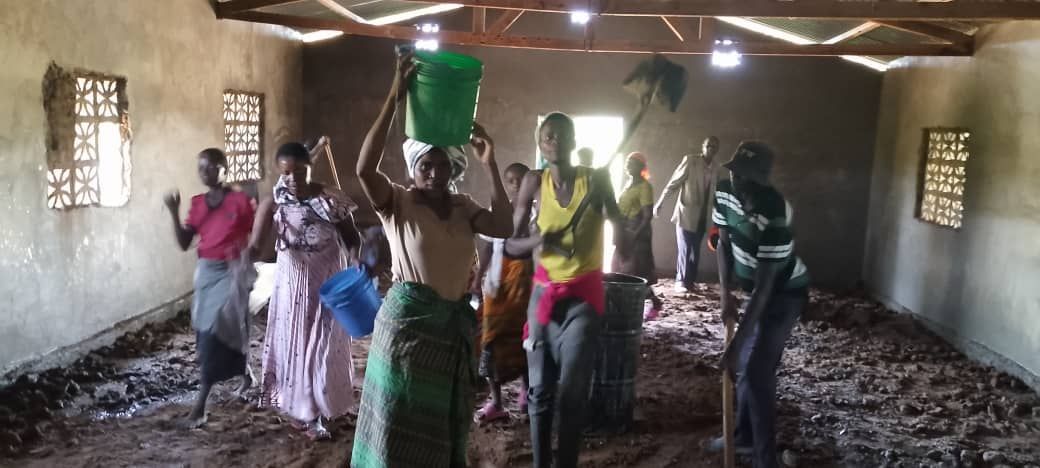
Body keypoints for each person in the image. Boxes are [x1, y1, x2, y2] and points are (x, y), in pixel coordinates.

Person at [351, 52, 514, 468]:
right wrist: (394, 95)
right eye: (427, 164)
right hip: (407, 333)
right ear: (414, 168)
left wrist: (491, 164)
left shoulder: (464, 207)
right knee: (397, 419)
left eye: (443, 165)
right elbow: (364, 168)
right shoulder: (398, 204)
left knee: (436, 425)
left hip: (447, 335)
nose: (435, 172)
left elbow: (504, 226)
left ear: (453, 169)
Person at [508, 112, 623, 468]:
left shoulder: (597, 179)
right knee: (540, 392)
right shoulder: (532, 182)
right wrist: (540, 239)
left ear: (574, 142)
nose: (554, 141)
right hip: (544, 296)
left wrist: (622, 232)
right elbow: (512, 245)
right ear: (541, 144)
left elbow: (619, 225)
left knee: (573, 393)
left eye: (561, 136)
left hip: (584, 297)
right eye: (548, 136)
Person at [251, 141, 362, 441]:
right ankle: (307, 413)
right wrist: (237, 265)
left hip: (327, 281)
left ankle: (325, 404)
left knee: (324, 345)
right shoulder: (275, 202)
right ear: (279, 172)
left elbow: (352, 238)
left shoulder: (329, 200)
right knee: (297, 344)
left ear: (310, 168)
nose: (293, 180)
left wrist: (354, 258)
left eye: (300, 173)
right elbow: (255, 246)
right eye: (287, 174)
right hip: (291, 287)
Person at [709, 141, 809, 468]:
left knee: (756, 369)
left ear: (761, 181)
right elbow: (723, 244)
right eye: (736, 174)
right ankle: (743, 437)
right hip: (755, 290)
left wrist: (737, 344)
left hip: (784, 295)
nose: (739, 183)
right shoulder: (724, 192)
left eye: (748, 178)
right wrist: (725, 297)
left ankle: (767, 459)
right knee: (745, 367)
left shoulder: (774, 211)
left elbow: (766, 289)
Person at [163, 148, 256, 429]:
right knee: (219, 328)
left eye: (211, 167)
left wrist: (244, 263)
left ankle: (200, 407)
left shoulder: (240, 201)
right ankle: (247, 375)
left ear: (224, 168)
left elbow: (259, 234)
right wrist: (173, 211)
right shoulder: (198, 203)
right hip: (206, 272)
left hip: (232, 270)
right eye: (201, 168)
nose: (205, 172)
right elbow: (183, 243)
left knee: (212, 334)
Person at [472, 162, 533, 425]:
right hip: (496, 287)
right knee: (490, 342)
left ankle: (527, 393)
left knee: (526, 342)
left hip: (525, 292)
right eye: (510, 180)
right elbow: (487, 249)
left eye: (521, 178)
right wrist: (477, 277)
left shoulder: (538, 214)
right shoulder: (497, 213)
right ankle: (496, 401)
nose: (516, 183)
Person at [654, 136, 719, 293]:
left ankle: (690, 281)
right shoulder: (691, 161)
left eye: (714, 146)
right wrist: (660, 202)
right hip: (686, 214)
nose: (711, 148)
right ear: (702, 147)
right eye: (708, 145)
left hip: (703, 217)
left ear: (717, 150)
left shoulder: (716, 167)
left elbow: (714, 194)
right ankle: (680, 281)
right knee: (685, 248)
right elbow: (673, 183)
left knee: (695, 250)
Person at [612, 152, 664, 321]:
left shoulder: (644, 187)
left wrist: (634, 235)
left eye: (632, 163)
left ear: (641, 167)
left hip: (637, 231)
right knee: (620, 270)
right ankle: (647, 303)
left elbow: (647, 215)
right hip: (624, 229)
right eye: (627, 162)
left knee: (633, 273)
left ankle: (647, 304)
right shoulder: (628, 185)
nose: (628, 165)